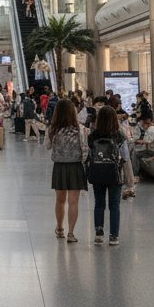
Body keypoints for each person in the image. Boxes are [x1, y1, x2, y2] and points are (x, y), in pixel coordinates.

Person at [46, 97, 88, 243]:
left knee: (60, 200)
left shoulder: (53, 129)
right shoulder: (80, 129)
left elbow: (47, 146)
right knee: (73, 202)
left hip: (59, 166)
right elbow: (84, 149)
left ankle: (59, 229)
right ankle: (71, 233)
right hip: (75, 166)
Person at [88, 105, 126, 246]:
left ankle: (99, 234)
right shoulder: (119, 136)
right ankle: (113, 236)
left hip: (97, 172)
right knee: (114, 205)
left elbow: (89, 154)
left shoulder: (92, 136)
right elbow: (125, 156)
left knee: (99, 203)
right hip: (114, 174)